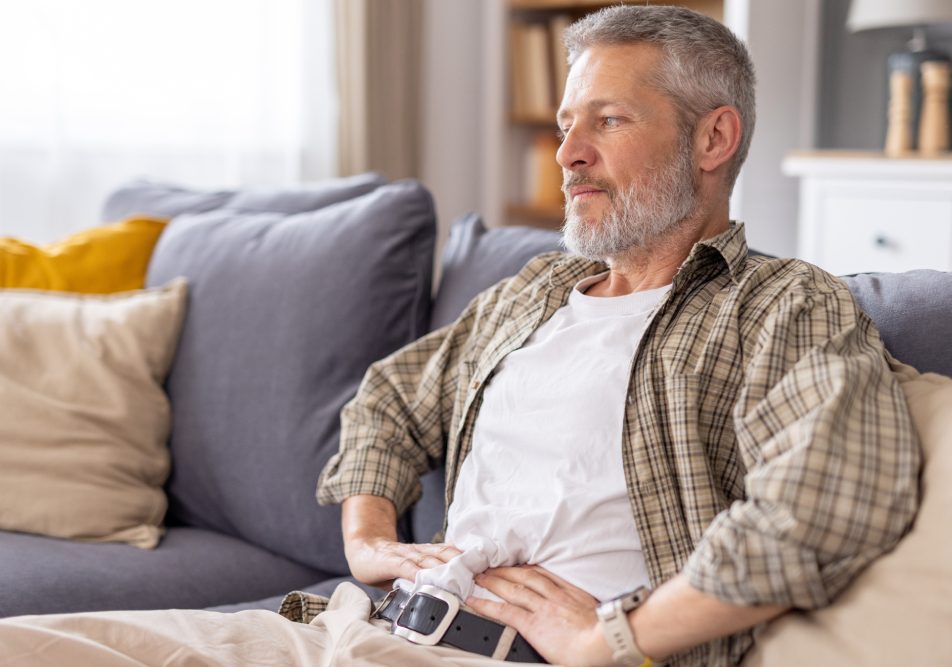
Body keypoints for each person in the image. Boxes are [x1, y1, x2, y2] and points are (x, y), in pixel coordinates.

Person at [0, 6, 919, 667]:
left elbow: (819, 508)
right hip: (356, 623)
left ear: (713, 138)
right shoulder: (535, 292)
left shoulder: (782, 307)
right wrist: (368, 540)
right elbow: (389, 399)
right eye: (566, 125)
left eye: (607, 120)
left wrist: (615, 638)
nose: (567, 155)